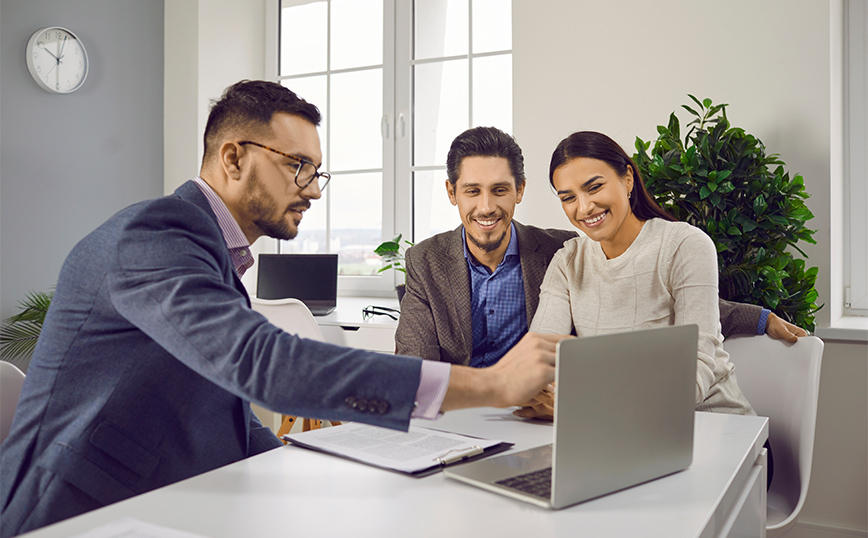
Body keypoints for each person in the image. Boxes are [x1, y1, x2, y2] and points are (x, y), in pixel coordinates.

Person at [0, 81, 562, 537]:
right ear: (232, 158)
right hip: (77, 511)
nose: (313, 190)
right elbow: (267, 366)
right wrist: (492, 386)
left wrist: (306, 466)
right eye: (299, 166)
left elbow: (224, 409)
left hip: (176, 500)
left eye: (316, 172)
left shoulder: (212, 253)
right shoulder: (157, 233)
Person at [395, 126, 806, 369]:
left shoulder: (560, 250)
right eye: (472, 191)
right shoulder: (426, 261)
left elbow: (655, 296)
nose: (486, 207)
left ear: (520, 191)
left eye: (499, 190)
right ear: (452, 193)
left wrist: (756, 317)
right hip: (462, 416)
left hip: (539, 417)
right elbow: (414, 364)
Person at [531, 130, 754, 415]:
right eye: (568, 197)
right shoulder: (568, 261)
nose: (584, 207)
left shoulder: (684, 245)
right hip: (616, 430)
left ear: (627, 179)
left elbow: (692, 377)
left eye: (594, 187)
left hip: (714, 423)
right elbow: (539, 365)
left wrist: (578, 399)